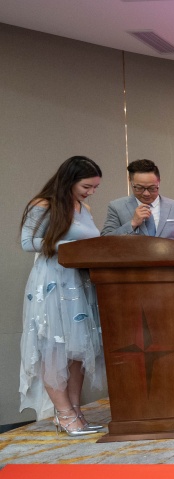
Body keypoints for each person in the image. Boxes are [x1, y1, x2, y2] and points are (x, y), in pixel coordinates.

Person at [19, 156, 107, 436]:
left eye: (94, 187)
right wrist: (68, 246)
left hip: (80, 281)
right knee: (55, 347)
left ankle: (76, 411)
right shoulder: (43, 205)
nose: (91, 192)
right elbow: (27, 242)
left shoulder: (84, 208)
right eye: (86, 186)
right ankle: (64, 414)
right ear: (69, 180)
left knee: (78, 350)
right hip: (53, 282)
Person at [101, 159, 174, 241]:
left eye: (152, 188)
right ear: (130, 182)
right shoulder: (117, 207)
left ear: (159, 182)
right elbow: (105, 241)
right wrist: (133, 223)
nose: (146, 193)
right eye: (139, 188)